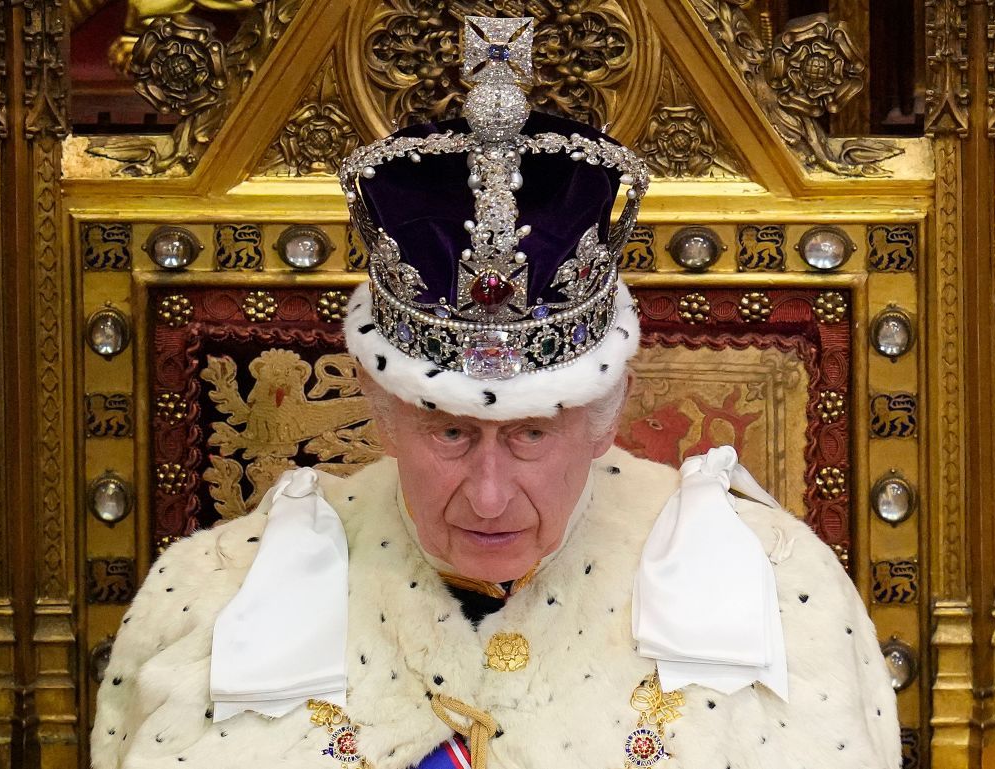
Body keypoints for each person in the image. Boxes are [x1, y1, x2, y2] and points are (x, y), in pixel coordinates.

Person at [91, 16, 899, 769]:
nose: (486, 497)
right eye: (447, 433)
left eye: (530, 435)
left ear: (600, 419)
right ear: (381, 410)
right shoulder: (218, 595)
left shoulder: (774, 589)